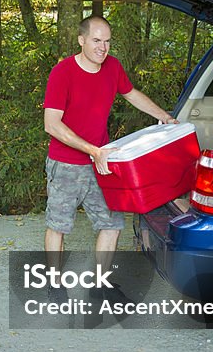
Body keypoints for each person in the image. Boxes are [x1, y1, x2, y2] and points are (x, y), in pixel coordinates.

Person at [43, 15, 178, 266]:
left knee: (113, 224)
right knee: (58, 226)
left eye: (107, 41)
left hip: (101, 161)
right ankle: (54, 284)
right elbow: (51, 124)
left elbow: (131, 94)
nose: (102, 47)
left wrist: (165, 117)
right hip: (66, 165)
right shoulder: (63, 73)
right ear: (81, 40)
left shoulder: (113, 67)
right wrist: (92, 150)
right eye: (96, 40)